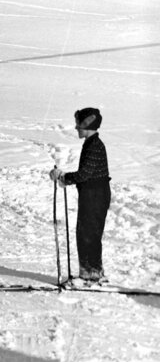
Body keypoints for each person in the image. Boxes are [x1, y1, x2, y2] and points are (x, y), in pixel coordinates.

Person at [50, 108, 112, 285]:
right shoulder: (91, 143)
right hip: (93, 193)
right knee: (88, 234)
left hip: (95, 195)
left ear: (88, 125)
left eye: (79, 125)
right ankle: (92, 273)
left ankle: (91, 276)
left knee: (88, 235)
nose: (76, 128)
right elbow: (86, 174)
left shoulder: (94, 145)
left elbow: (84, 174)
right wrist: (65, 178)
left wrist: (64, 178)